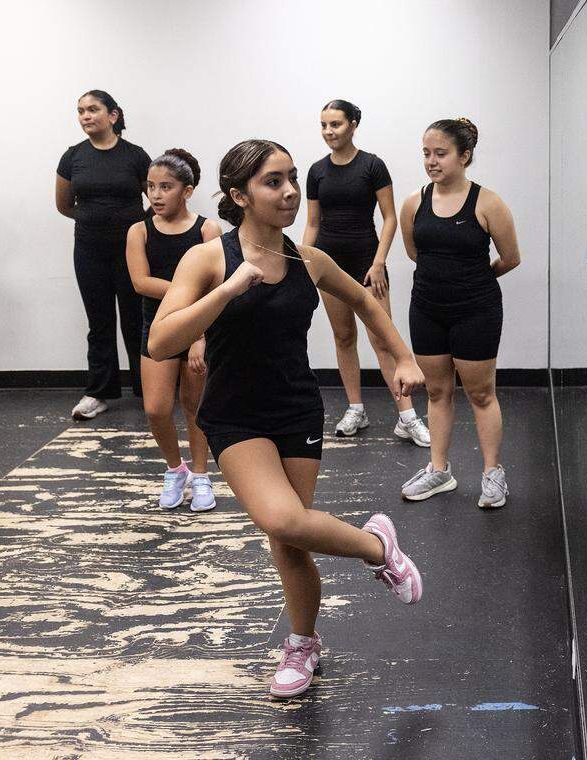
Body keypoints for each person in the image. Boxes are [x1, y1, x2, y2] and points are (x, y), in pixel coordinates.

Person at [148, 139, 425, 699]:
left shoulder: (308, 260)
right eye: (273, 182)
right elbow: (160, 341)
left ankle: (302, 644)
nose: (291, 192)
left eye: (292, 179)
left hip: (296, 407)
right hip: (234, 415)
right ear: (238, 195)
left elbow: (368, 302)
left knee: (290, 543)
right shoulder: (207, 258)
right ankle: (379, 548)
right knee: (283, 520)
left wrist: (405, 358)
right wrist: (229, 288)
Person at [398, 118, 521, 509]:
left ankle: (492, 473)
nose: (431, 162)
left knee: (481, 394)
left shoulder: (487, 203)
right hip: (428, 308)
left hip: (476, 310)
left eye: (440, 154)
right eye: (426, 154)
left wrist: (473, 282)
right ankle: (439, 470)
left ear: (464, 156)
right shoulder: (413, 203)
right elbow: (416, 254)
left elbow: (510, 258)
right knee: (437, 391)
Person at [304, 99, 429, 444]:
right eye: (324, 125)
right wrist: (305, 263)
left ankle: (406, 416)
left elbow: (389, 217)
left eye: (336, 124)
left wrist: (378, 262)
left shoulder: (372, 166)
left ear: (354, 124)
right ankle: (355, 408)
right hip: (329, 262)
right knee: (344, 337)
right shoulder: (316, 171)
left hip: (366, 261)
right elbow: (313, 223)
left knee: (381, 338)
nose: (329, 132)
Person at [126, 149, 222, 511]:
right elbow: (140, 282)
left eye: (166, 187)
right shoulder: (139, 230)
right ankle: (174, 468)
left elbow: (216, 285)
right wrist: (187, 289)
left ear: (187, 190)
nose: (156, 194)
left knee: (195, 404)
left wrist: (200, 335)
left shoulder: (207, 229)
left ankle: (200, 475)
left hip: (199, 326)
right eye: (151, 186)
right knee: (156, 408)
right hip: (159, 326)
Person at [55, 90, 150, 420]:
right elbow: (64, 205)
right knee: (100, 322)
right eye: (80, 110)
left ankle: (148, 388)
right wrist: (97, 220)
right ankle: (99, 393)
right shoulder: (73, 157)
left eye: (92, 109)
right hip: (89, 250)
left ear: (113, 115)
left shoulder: (135, 156)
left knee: (136, 320)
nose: (85, 116)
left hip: (132, 251)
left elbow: (156, 196)